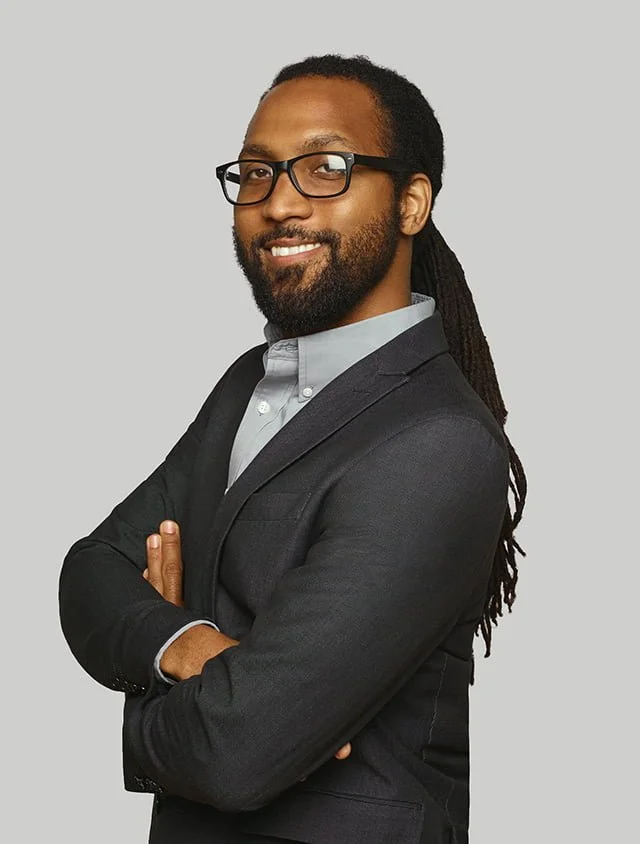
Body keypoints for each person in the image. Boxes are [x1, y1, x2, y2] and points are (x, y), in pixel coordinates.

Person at [59, 54, 527, 844]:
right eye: (256, 173)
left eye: (325, 168)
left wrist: (148, 702)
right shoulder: (248, 383)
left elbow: (238, 754)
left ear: (411, 202)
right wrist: (186, 645)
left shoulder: (437, 442)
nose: (278, 203)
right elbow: (90, 571)